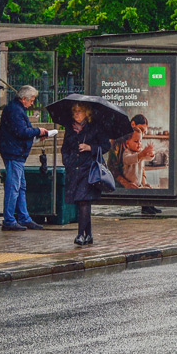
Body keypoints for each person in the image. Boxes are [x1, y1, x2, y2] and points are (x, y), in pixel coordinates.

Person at [0, 86, 55, 231]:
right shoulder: (15, 110)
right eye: (32, 100)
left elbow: (20, 131)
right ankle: (10, 220)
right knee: (14, 187)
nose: (32, 103)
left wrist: (36, 136)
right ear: (24, 99)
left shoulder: (16, 109)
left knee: (20, 186)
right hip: (13, 153)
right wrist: (38, 131)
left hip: (15, 151)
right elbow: (21, 131)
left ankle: (24, 217)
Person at [61, 102, 109, 246]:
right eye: (74, 111)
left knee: (83, 200)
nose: (76, 114)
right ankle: (89, 235)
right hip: (74, 169)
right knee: (82, 201)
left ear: (86, 113)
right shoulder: (70, 128)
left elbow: (106, 146)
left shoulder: (95, 127)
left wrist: (90, 147)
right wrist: (67, 161)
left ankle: (80, 235)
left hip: (89, 169)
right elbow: (65, 148)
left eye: (79, 111)